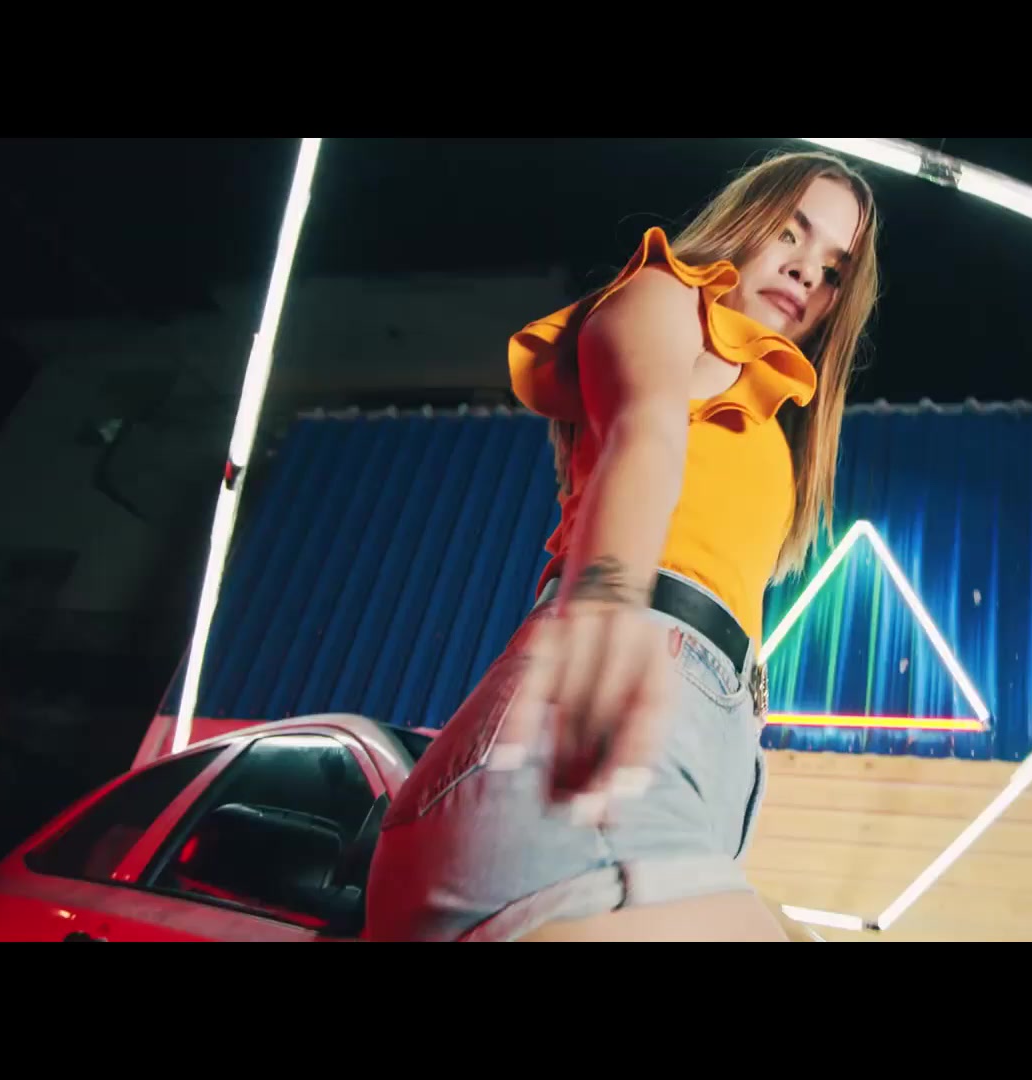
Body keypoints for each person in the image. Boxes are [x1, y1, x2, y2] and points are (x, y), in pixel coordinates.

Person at [366, 150, 881, 941]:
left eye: (834, 269)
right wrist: (607, 601)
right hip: (578, 750)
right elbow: (646, 432)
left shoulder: (772, 417)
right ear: (744, 221)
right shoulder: (663, 298)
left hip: (691, 772)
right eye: (790, 232)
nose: (807, 270)